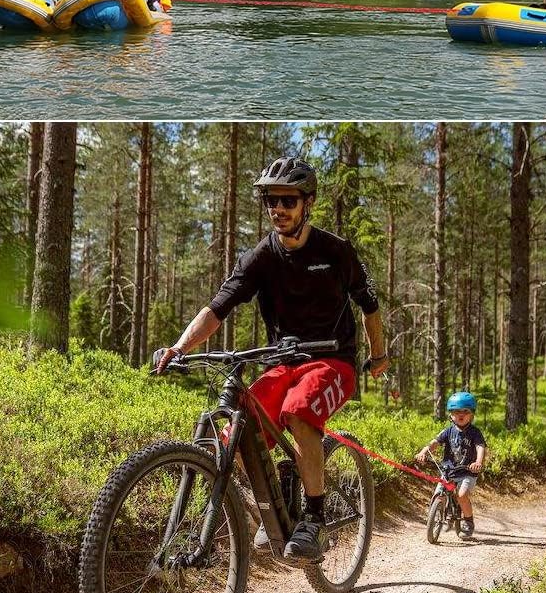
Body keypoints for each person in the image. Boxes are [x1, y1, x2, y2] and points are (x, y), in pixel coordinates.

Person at [155, 157, 388, 563]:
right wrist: (179, 348)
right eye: (270, 200)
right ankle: (280, 502)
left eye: (287, 200)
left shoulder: (337, 252)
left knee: (299, 412)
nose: (277, 209)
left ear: (307, 203)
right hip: (282, 363)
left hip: (334, 360)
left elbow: (369, 305)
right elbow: (217, 308)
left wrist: (379, 355)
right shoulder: (260, 257)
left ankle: (313, 520)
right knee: (237, 434)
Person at [415, 391, 486, 539]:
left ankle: (468, 521)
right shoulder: (448, 431)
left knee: (461, 495)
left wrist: (478, 462)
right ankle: (439, 514)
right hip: (448, 471)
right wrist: (424, 452)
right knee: (437, 494)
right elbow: (435, 443)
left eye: (465, 411)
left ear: (471, 414)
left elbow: (480, 447)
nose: (461, 414)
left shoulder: (475, 433)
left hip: (467, 472)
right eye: (456, 411)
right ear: (451, 414)